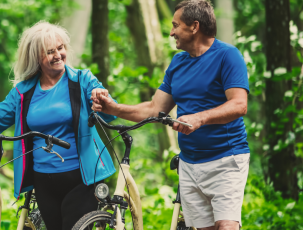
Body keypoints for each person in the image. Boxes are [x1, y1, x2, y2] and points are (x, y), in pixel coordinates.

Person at [91, 1, 249, 230]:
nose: (171, 31)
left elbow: (239, 105)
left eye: (176, 25)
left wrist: (199, 118)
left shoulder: (227, 56)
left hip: (226, 159)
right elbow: (155, 109)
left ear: (194, 26)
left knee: (226, 226)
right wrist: (114, 109)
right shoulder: (178, 63)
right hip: (190, 164)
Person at [0, 21, 118, 230]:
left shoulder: (83, 81)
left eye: (61, 48)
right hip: (43, 179)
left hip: (81, 177)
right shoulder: (23, 92)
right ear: (35, 58)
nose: (58, 55)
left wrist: (102, 100)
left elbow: (111, 114)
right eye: (50, 51)